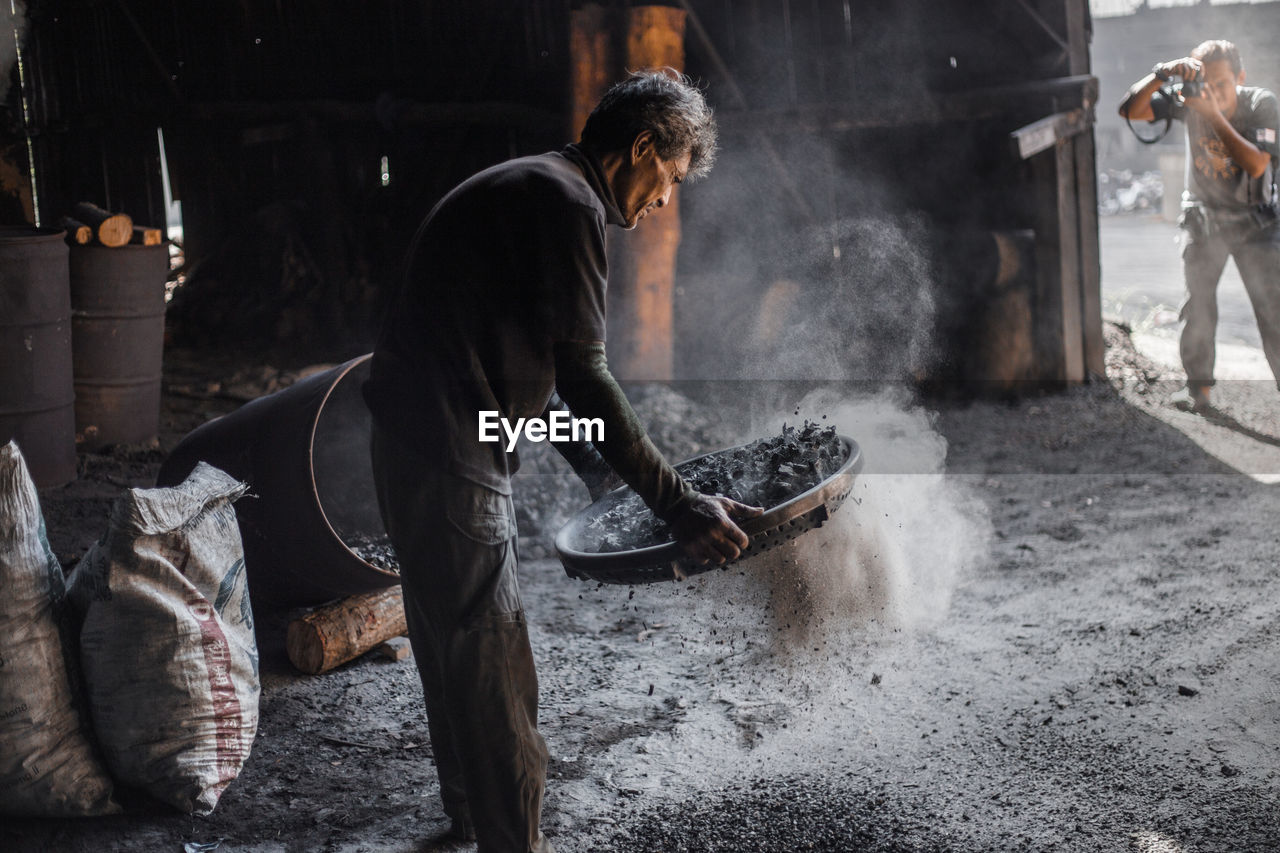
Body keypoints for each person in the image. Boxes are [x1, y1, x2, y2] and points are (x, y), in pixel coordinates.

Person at [362, 70, 762, 852]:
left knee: (453, 643)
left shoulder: (536, 187)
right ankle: (515, 841)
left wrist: (608, 481)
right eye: (671, 178)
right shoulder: (571, 204)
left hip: (409, 437)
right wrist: (676, 503)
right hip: (448, 444)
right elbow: (584, 373)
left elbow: (529, 372)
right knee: (494, 656)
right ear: (641, 147)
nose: (665, 203)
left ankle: (473, 817)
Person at [1118, 39, 1280, 412]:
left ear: (1240, 77)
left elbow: (1257, 165)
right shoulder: (1188, 97)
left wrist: (1212, 115)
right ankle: (1198, 391)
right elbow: (1130, 109)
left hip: (1255, 221)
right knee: (1198, 308)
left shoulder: (1260, 104)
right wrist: (1164, 74)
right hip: (1204, 219)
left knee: (1273, 309)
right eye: (1207, 83)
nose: (1214, 91)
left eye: (1222, 83)